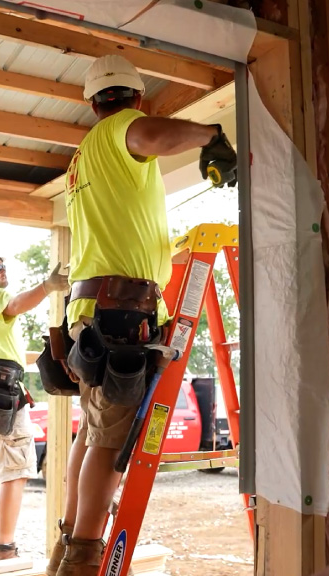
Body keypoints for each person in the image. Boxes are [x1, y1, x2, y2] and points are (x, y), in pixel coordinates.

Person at [44, 55, 237, 576]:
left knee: (90, 432)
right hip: (119, 316)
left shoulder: (82, 158)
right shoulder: (119, 131)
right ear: (136, 98)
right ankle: (82, 559)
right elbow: (150, 136)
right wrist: (211, 134)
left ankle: (66, 546)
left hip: (91, 314)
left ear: (92, 101)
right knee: (108, 440)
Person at [0, 247, 69, 563]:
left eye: (3, 265)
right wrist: (48, 287)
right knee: (16, 473)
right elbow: (15, 304)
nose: (2, 271)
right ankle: (6, 551)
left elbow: (4, 354)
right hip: (4, 398)